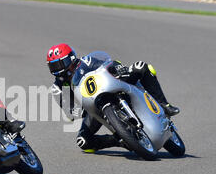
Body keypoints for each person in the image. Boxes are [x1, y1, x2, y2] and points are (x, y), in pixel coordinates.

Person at [46, 43, 180, 153]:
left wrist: (120, 69)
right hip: (93, 107)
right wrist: (80, 112)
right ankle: (120, 139)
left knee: (143, 67)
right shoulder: (58, 87)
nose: (58, 70)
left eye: (60, 64)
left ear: (71, 58)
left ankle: (164, 104)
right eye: (53, 66)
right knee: (83, 141)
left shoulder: (86, 62)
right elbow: (68, 111)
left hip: (114, 83)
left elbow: (110, 63)